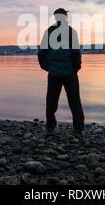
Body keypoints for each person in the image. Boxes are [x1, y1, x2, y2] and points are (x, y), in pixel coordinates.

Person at [37, 8, 85, 137]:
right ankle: (78, 129)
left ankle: (51, 127)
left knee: (51, 100)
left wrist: (47, 67)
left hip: (54, 72)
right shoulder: (71, 31)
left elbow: (41, 52)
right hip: (69, 73)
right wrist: (75, 68)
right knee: (74, 100)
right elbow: (76, 52)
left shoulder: (49, 31)